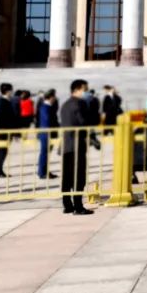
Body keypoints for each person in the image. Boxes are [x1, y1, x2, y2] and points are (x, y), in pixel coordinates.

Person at [58, 80, 94, 215]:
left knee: (67, 176)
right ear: (77, 89)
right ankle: (78, 206)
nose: (87, 92)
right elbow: (83, 122)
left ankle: (67, 205)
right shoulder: (80, 103)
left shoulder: (65, 104)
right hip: (77, 144)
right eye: (85, 89)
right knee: (79, 177)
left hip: (66, 144)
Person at [0, 83, 20, 178]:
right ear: (8, 91)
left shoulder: (5, 101)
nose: (12, 92)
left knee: (0, 151)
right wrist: (15, 132)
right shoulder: (4, 102)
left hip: (3, 131)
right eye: (11, 90)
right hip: (4, 132)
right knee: (2, 151)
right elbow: (4, 119)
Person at [36, 89, 59, 180]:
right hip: (46, 134)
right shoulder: (45, 107)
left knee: (46, 153)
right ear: (51, 97)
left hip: (48, 133)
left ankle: (44, 171)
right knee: (44, 153)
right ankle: (42, 172)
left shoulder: (47, 106)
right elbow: (47, 121)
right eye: (54, 96)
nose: (55, 98)